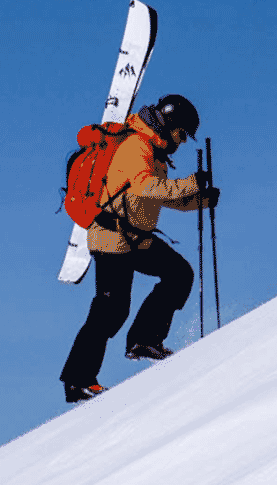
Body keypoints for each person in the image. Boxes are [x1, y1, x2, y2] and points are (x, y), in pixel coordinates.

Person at [59, 94, 219, 403]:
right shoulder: (138, 145)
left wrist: (201, 200)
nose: (182, 141)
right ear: (169, 124)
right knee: (110, 310)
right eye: (181, 133)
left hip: (136, 238)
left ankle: (145, 341)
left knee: (178, 274)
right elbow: (146, 186)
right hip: (111, 238)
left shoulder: (156, 151)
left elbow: (161, 197)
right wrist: (191, 183)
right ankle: (78, 381)